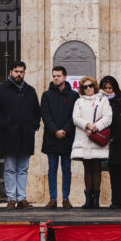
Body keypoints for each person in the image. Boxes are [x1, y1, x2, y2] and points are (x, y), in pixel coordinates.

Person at [0, 61, 41, 209]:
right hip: (9, 135)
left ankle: (22, 199)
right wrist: (4, 124)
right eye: (16, 71)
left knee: (23, 169)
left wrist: (33, 126)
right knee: (10, 168)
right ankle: (11, 198)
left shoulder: (29, 90)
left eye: (21, 72)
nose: (19, 74)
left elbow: (36, 111)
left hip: (26, 135)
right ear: (11, 71)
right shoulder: (1, 89)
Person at [71, 77, 112, 209]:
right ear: (82, 89)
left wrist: (95, 127)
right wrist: (87, 125)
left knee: (97, 168)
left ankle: (96, 200)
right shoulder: (79, 101)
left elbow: (108, 117)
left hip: (96, 137)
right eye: (85, 87)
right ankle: (88, 199)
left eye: (90, 86)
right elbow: (75, 118)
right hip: (83, 137)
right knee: (87, 168)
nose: (88, 88)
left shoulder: (103, 100)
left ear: (94, 86)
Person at [40, 66, 78, 209]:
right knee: (52, 169)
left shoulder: (74, 96)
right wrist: (55, 130)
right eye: (54, 76)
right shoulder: (46, 95)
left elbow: (74, 116)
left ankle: (66, 199)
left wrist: (65, 130)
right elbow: (45, 115)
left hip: (67, 138)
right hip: (51, 138)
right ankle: (53, 199)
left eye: (58, 76)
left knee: (67, 169)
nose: (55, 78)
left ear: (65, 77)